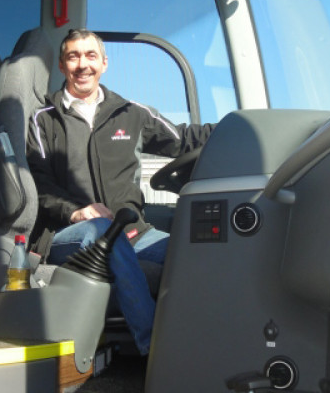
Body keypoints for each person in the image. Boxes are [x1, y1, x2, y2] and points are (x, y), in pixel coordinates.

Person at [26, 29, 214, 355]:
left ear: (104, 63)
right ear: (62, 65)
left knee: (198, 252)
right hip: (69, 234)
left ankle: (210, 342)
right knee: (103, 229)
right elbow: (37, 184)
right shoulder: (43, 120)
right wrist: (75, 211)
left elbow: (184, 139)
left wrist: (240, 128)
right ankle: (156, 349)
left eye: (90, 56)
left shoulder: (131, 113)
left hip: (133, 234)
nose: (82, 65)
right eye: (73, 56)